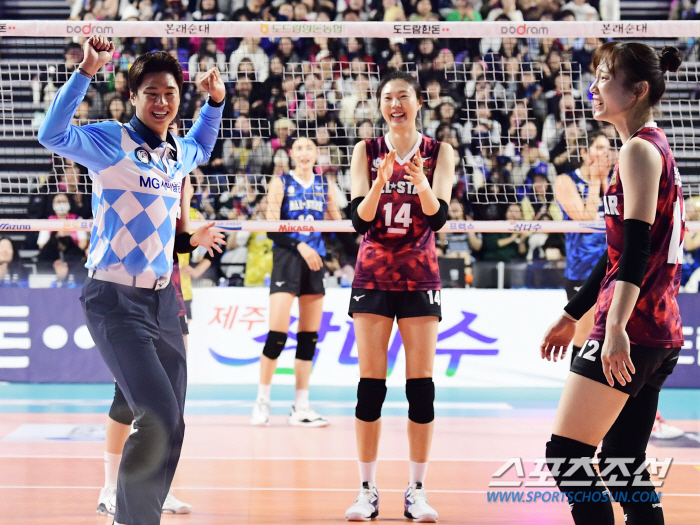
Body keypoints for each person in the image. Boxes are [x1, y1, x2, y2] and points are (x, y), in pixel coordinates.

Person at [38, 35, 225, 525]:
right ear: (133, 96)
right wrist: (85, 72)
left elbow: (202, 146)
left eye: (169, 93)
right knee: (156, 416)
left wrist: (215, 104)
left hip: (163, 304)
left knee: (173, 421)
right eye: (151, 93)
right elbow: (51, 134)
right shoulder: (109, 140)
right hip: (115, 299)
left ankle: (138, 513)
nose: (161, 102)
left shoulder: (176, 152)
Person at [540, 42, 684, 525]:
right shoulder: (648, 146)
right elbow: (618, 251)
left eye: (604, 77)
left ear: (637, 90)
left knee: (567, 455)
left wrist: (615, 326)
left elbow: (637, 251)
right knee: (624, 465)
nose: (593, 87)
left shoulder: (639, 150)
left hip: (633, 327)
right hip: (657, 329)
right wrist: (571, 314)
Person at [96, 121, 226, 517]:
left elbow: (179, 237)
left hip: (169, 293)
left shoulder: (180, 174)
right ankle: (110, 487)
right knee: (128, 399)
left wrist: (195, 239)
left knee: (171, 402)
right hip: (127, 289)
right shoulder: (125, 164)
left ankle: (155, 488)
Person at [345, 70, 453, 522]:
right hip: (372, 276)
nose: (396, 104)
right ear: (380, 105)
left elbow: (438, 218)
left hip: (420, 277)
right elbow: (359, 219)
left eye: (403, 96)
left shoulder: (440, 151)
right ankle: (366, 490)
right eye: (388, 97)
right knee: (370, 388)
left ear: (418, 103)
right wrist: (381, 180)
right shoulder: (366, 150)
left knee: (420, 389)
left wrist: (421, 181)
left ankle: (417, 490)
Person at [251, 137, 343, 427]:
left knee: (308, 338)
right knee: (277, 335)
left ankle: (301, 406)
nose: (304, 153)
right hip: (287, 258)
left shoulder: (325, 185)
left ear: (316, 154)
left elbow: (338, 225)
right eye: (299, 148)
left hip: (314, 262)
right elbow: (271, 229)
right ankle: (262, 402)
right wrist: (300, 244)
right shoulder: (280, 182)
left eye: (309, 148)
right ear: (291, 154)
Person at [554, 132, 611, 364]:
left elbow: (621, 217)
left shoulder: (614, 181)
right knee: (585, 334)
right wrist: (596, 180)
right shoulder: (565, 181)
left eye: (608, 149)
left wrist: (605, 181)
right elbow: (586, 220)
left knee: (608, 334)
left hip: (613, 267)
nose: (606, 154)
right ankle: (575, 383)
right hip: (582, 269)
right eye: (599, 148)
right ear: (585, 153)